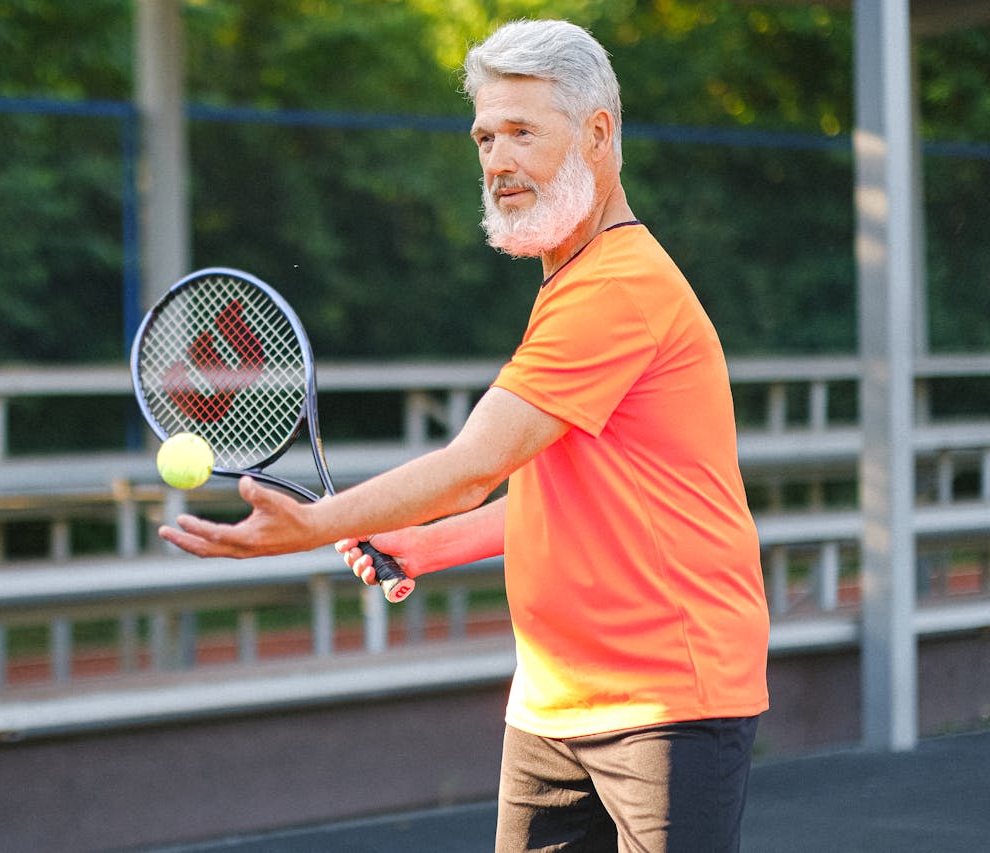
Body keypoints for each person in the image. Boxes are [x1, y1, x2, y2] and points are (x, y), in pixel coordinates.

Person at [159, 18, 769, 853]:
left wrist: (310, 528)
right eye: (484, 135)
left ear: (598, 135)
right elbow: (569, 496)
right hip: (553, 703)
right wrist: (426, 544)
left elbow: (469, 468)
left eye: (522, 131)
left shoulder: (617, 291)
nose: (496, 160)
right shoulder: (574, 282)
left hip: (667, 704)